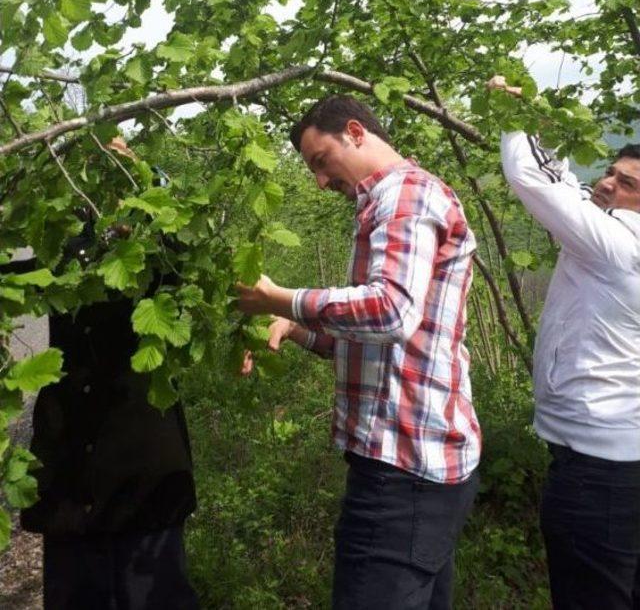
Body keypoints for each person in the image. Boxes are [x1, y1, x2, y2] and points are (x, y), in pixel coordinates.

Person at [237, 94, 481, 610]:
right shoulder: (385, 203)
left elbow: (391, 311)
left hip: (404, 471)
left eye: (320, 162)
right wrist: (291, 325)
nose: (320, 182)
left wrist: (283, 297)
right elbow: (374, 342)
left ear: (354, 131)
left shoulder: (406, 195)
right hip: (418, 465)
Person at [1, 142, 199, 610]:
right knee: (76, 592)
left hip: (142, 457)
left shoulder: (156, 236)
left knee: (153, 594)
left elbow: (189, 247)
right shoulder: (60, 234)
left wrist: (144, 173)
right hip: (71, 459)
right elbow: (21, 275)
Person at [488, 75, 640, 609]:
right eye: (610, 172)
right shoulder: (617, 237)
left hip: (596, 470)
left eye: (626, 184)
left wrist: (513, 110)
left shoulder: (618, 245)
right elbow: (570, 188)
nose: (605, 184)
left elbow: (532, 178)